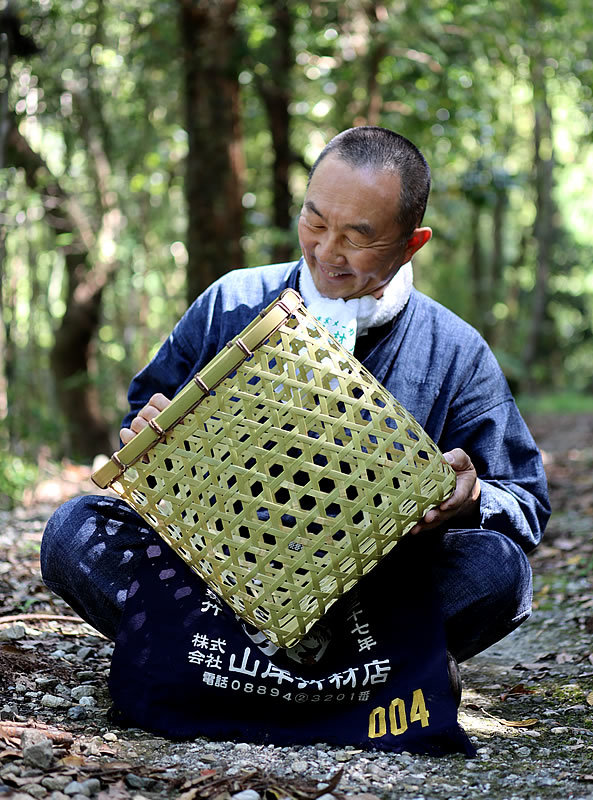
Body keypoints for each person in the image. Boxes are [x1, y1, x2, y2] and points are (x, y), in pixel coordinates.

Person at [41, 126, 550, 677]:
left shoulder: (455, 351)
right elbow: (139, 421)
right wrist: (151, 430)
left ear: (411, 245)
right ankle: (358, 677)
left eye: (357, 237)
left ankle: (222, 668)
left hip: (369, 595)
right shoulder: (231, 303)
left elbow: (525, 502)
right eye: (315, 221)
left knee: (501, 570)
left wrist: (471, 500)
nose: (326, 253)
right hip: (218, 578)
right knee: (75, 531)